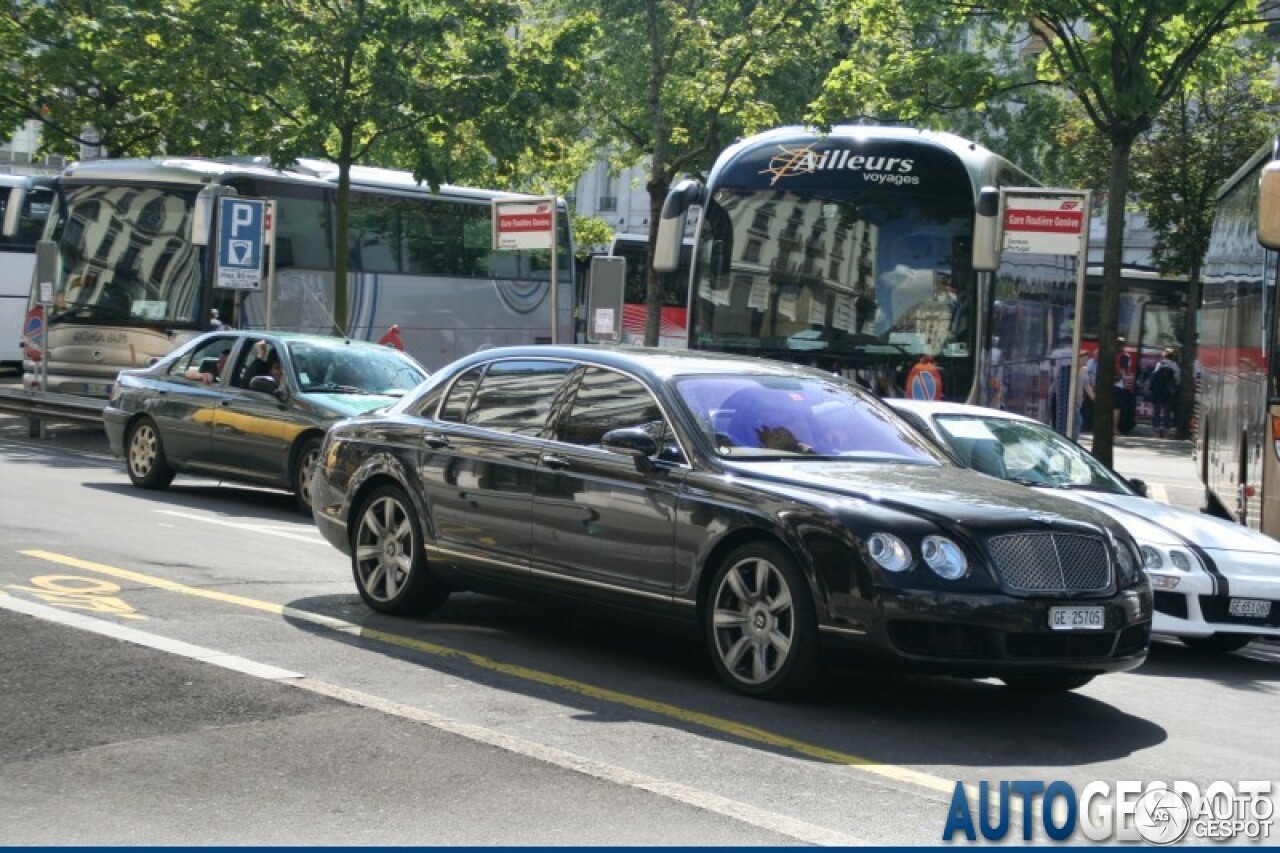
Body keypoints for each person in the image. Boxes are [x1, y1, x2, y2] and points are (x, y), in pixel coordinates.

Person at [1149, 347, 1181, 438]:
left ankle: (1156, 431)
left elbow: (1154, 377)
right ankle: (1167, 431)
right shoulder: (1175, 366)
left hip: (1158, 391)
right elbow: (1178, 380)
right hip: (1169, 392)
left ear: (1164, 355)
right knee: (1167, 411)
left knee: (1157, 411)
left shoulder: (1160, 364)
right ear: (1173, 356)